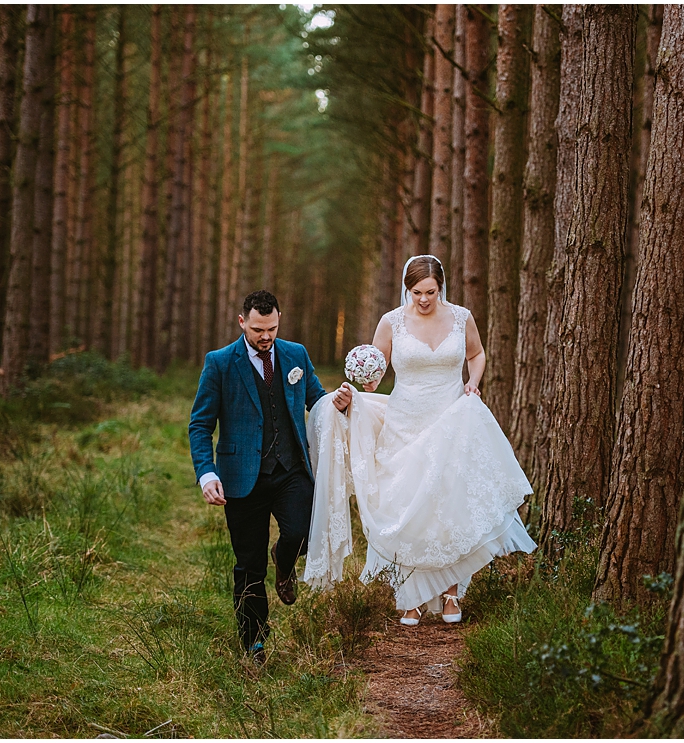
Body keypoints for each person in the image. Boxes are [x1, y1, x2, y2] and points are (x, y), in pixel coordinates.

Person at [304, 256, 536, 626]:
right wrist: (361, 385)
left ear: (440, 287)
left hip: (450, 418)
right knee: (407, 506)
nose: (424, 300)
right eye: (417, 293)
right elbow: (375, 375)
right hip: (405, 421)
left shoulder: (461, 317)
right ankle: (409, 594)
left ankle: (450, 594)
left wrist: (473, 382)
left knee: (449, 504)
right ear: (406, 288)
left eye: (430, 292)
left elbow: (476, 354)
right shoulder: (392, 321)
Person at [189, 290, 353, 666]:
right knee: (249, 565)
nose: (266, 337)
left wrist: (337, 402)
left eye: (273, 328)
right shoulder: (219, 363)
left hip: (290, 469)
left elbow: (317, 400)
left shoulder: (295, 354)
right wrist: (206, 473)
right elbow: (200, 425)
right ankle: (254, 643)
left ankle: (284, 556)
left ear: (280, 319)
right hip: (240, 478)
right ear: (242, 322)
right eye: (259, 329)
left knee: (301, 531)